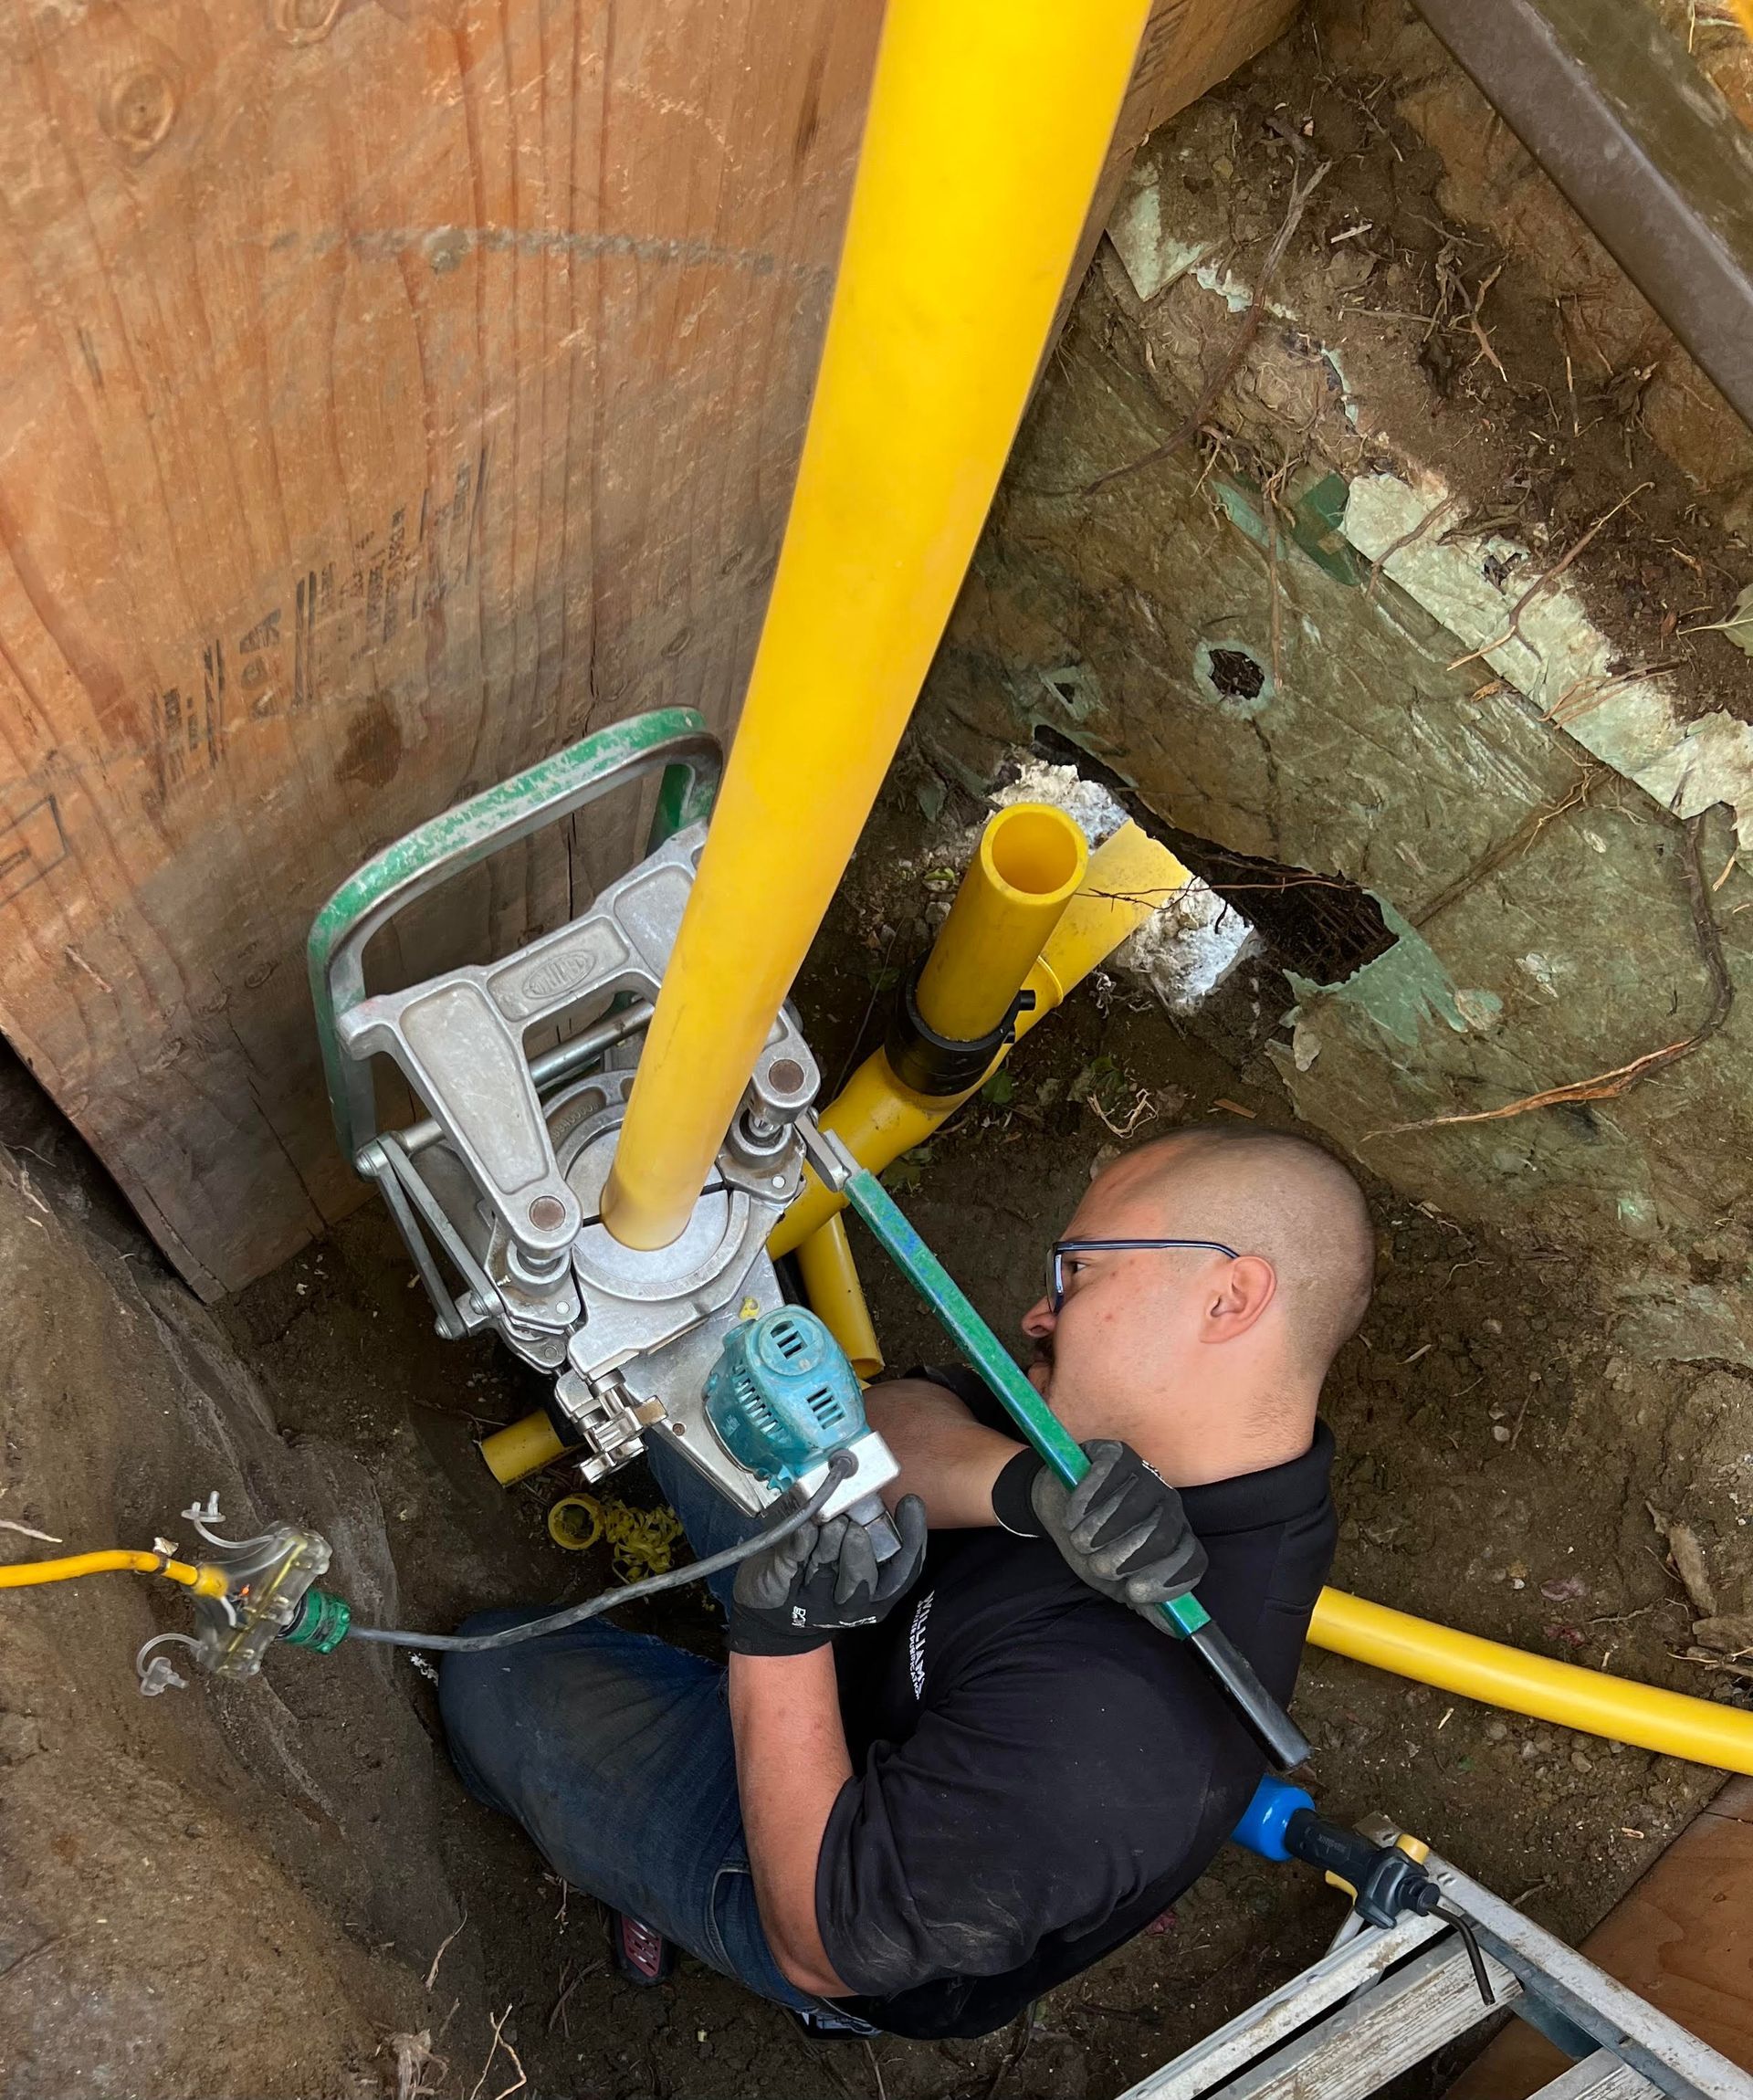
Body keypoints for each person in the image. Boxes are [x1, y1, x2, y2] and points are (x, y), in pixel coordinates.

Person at [439, 1125, 1373, 2040]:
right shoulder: (1166, 1434)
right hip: (850, 1631)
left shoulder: (1119, 1741)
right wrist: (1021, 1488)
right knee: (704, 1356)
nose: (1038, 1313)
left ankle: (664, 1857)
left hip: (833, 1853)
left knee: (488, 1675)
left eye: (1079, 1270)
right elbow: (884, 1419)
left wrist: (781, 1632)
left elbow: (821, 1938)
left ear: (1230, 1296)